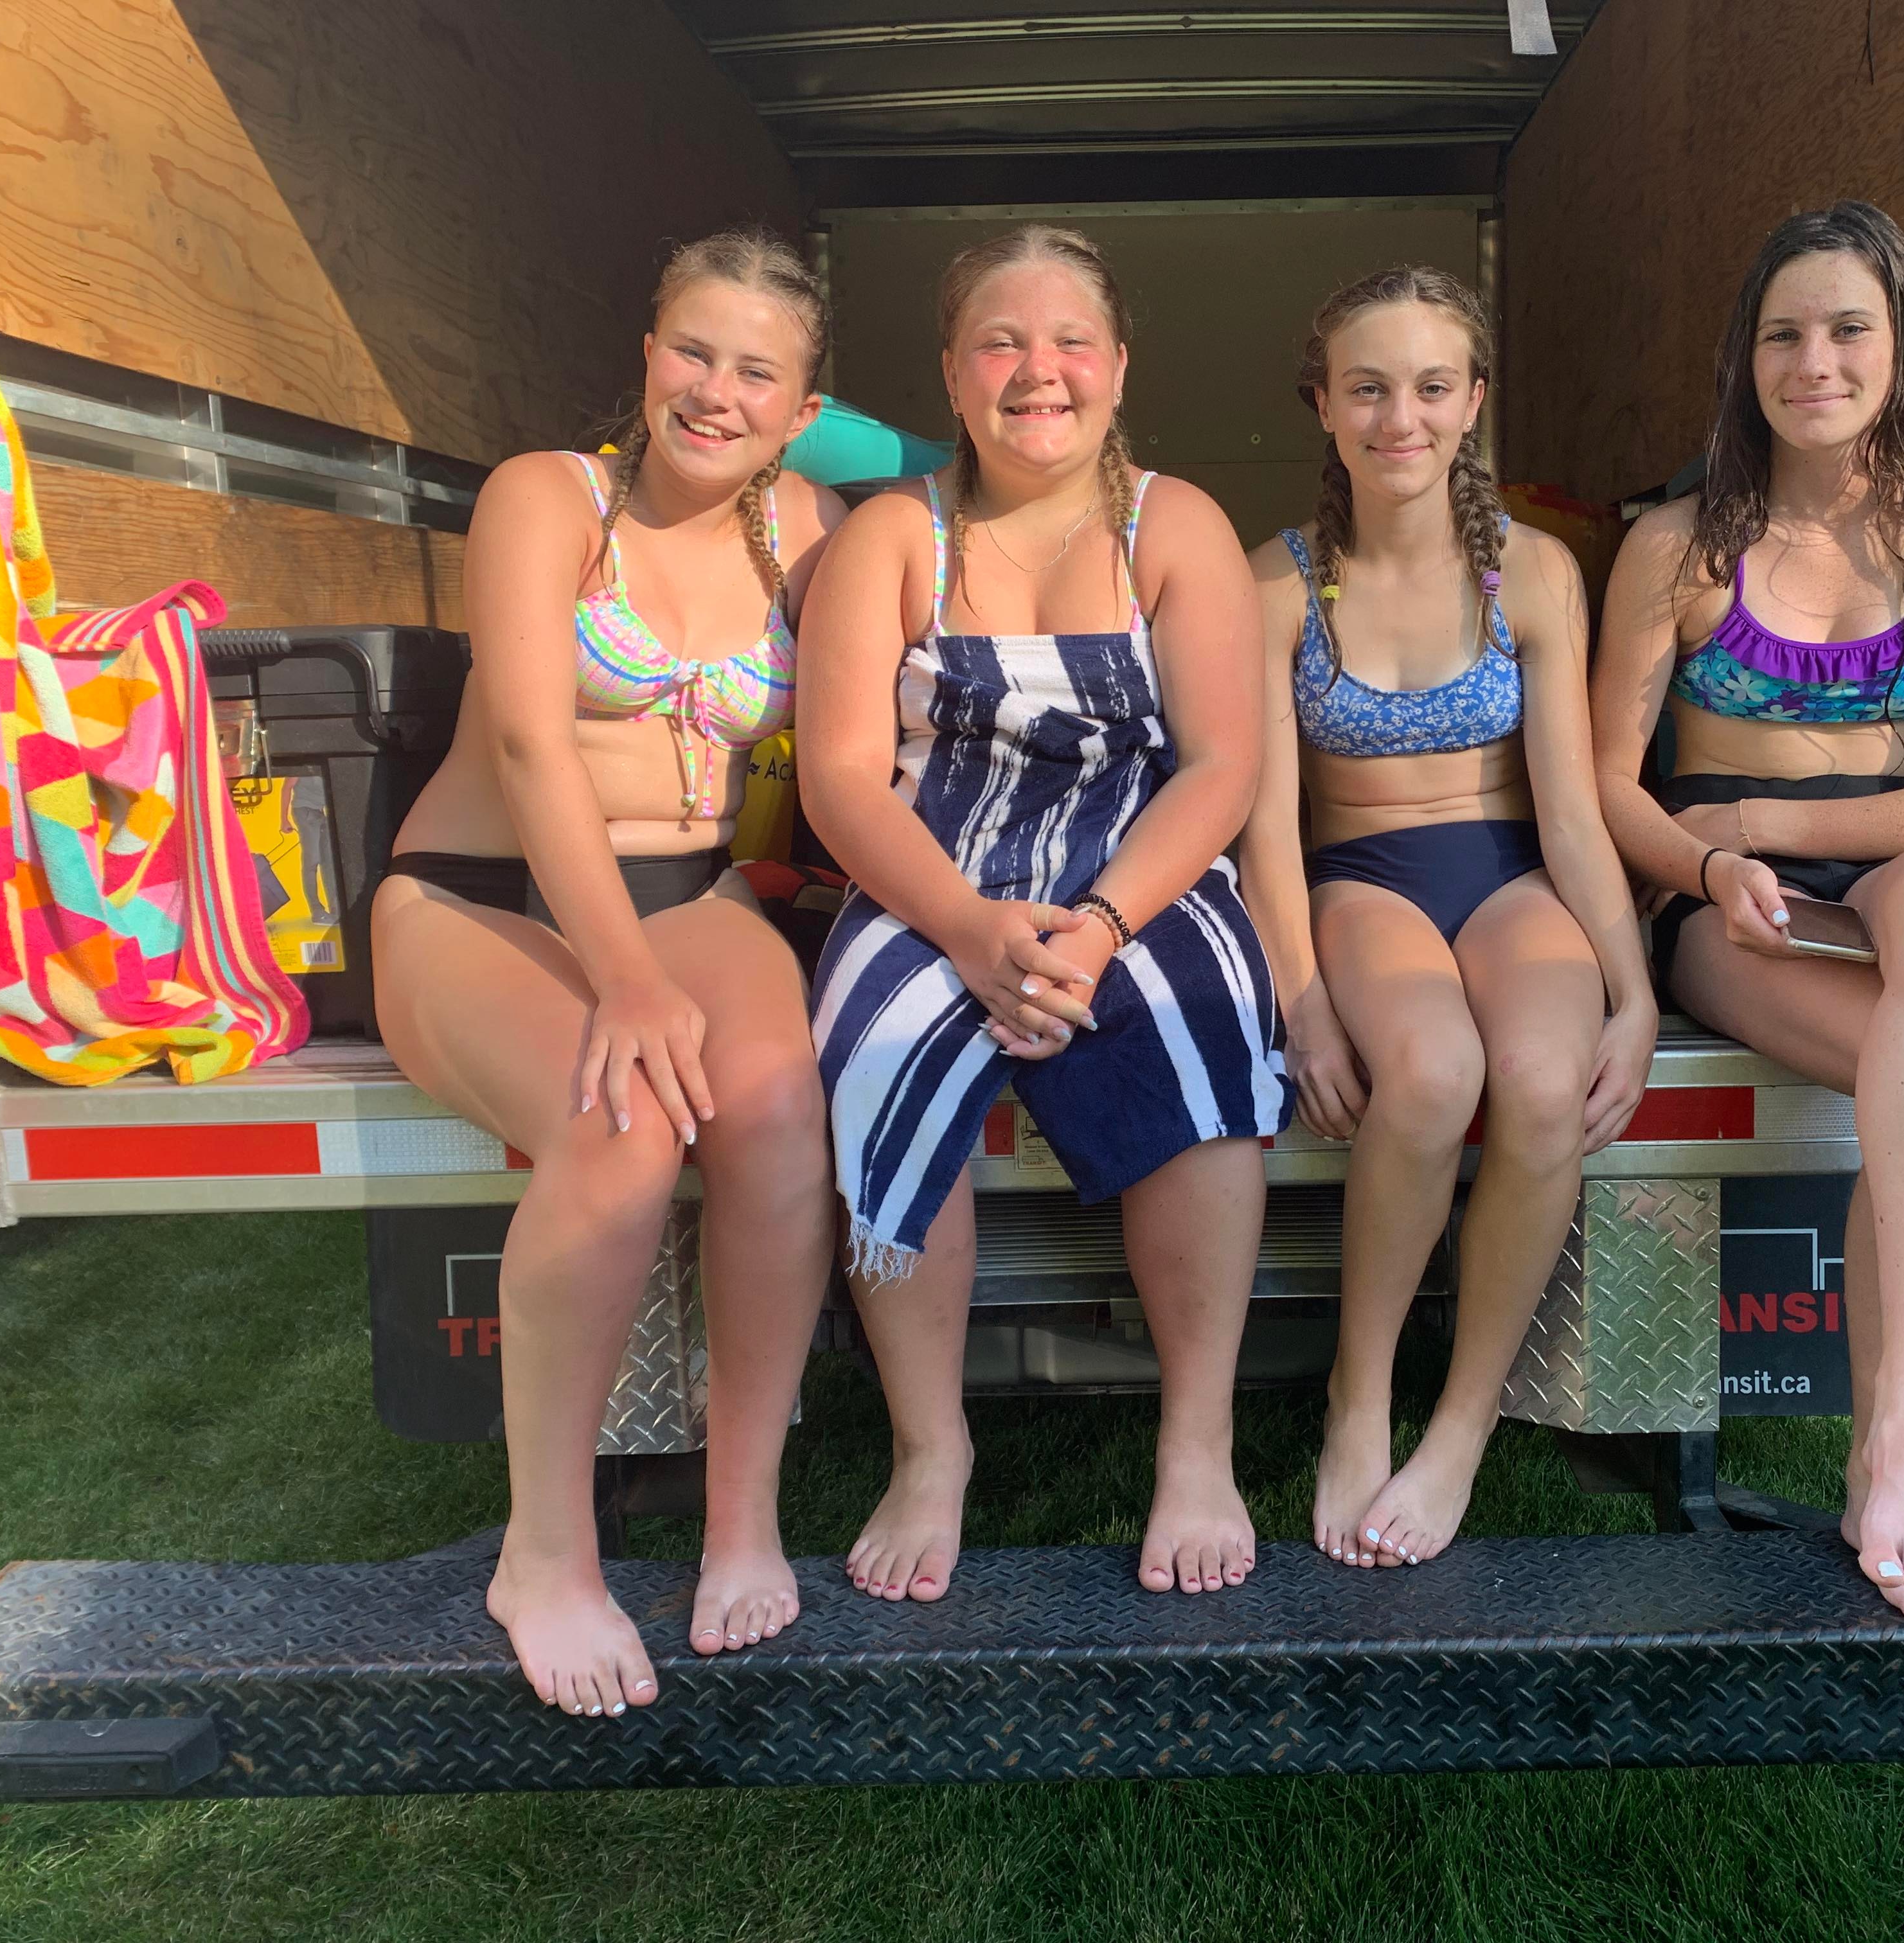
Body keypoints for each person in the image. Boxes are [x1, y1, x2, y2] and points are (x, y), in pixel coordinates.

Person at [372, 230, 844, 1716]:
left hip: (687, 888)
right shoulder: (547, 497)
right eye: (692, 351)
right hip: (480, 895)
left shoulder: (812, 530)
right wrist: (629, 982)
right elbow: (528, 747)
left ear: (802, 407)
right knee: (623, 1126)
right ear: (646, 354)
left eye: (757, 372)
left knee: (778, 1106)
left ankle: (741, 1518)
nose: (715, 392)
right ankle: (546, 1555)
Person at [797, 224, 1291, 1606]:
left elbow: (1223, 768)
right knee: (879, 1042)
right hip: (929, 874)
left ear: (1120, 367)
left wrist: (1104, 926)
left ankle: (1198, 1443)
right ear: (952, 373)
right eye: (1000, 344)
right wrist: (967, 929)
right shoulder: (892, 536)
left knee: (1204, 1027)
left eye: (1071, 341)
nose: (1038, 371)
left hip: (1141, 872)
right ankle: (930, 1447)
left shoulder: (1174, 525)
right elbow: (841, 777)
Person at [1590, 200, 1904, 1645]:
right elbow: (1605, 783)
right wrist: (1709, 859)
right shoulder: (1678, 545)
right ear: (1746, 358)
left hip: (1886, 867)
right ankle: (1897, 1461)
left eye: (1850, 328)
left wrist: (1767, 822)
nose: (1816, 362)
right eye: (1784, 334)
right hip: (1731, 907)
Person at [1239, 267, 1657, 1573]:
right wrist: (1304, 1002)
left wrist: (1636, 995)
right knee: (1428, 1072)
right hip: (1361, 876)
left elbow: (1573, 813)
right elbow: (1263, 825)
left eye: (1430, 387)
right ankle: (1359, 1395)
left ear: (1474, 400)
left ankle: (1465, 1423)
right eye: (1367, 389)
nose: (1399, 418)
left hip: (1513, 875)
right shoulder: (1279, 584)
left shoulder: (1531, 573)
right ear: (1323, 405)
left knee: (1539, 1079)